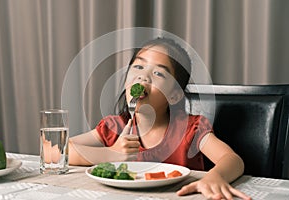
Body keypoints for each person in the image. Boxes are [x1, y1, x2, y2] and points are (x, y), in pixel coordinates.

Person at [68, 37, 251, 200]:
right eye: (138, 66)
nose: (143, 76)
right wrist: (111, 154)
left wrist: (214, 177)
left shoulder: (190, 129)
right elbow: (54, 150)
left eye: (158, 73)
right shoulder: (113, 127)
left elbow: (232, 160)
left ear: (174, 95)